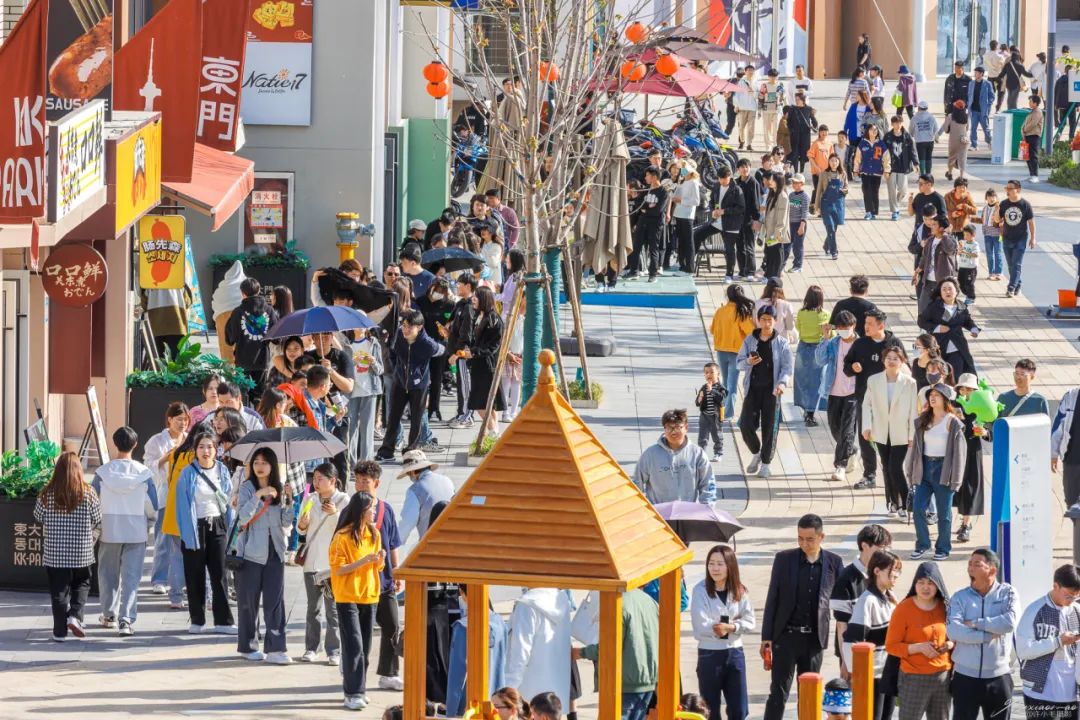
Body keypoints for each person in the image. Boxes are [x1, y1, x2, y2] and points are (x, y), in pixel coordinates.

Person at [761, 514, 845, 720]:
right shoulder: (784, 560)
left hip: (814, 640)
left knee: (809, 694)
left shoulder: (834, 563)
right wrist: (766, 637)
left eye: (809, 539)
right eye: (800, 538)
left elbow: (842, 603)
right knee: (778, 693)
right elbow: (772, 599)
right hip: (785, 637)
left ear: (821, 537)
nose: (804, 544)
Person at [92, 427, 156, 636]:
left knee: (107, 575)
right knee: (131, 578)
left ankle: (109, 614)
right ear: (135, 444)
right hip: (136, 530)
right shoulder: (144, 474)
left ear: (115, 443)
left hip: (109, 529)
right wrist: (149, 522)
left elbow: (93, 502)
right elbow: (152, 505)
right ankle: (126, 619)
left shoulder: (102, 473)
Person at [233, 447, 293, 664]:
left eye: (264, 462)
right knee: (248, 602)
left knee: (275, 601)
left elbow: (286, 521)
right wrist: (258, 496)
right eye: (256, 462)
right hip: (250, 553)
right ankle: (248, 646)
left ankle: (276, 648)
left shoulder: (279, 488)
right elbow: (242, 518)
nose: (260, 466)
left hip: (275, 551)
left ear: (272, 466)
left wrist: (289, 500)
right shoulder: (247, 488)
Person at [173, 430, 236, 634]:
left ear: (216, 450)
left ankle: (223, 622)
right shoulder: (187, 473)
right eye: (201, 447)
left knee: (220, 574)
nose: (205, 451)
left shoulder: (222, 470)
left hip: (217, 525)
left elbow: (229, 499)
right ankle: (197, 620)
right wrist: (186, 532)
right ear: (195, 450)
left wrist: (231, 526)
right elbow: (182, 506)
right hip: (194, 527)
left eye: (210, 447)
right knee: (195, 574)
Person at [35, 452, 102, 642]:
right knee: (82, 583)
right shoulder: (88, 492)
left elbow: (38, 516)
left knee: (59, 590)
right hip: (82, 551)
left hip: (55, 553)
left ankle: (59, 632)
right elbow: (97, 518)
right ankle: (75, 616)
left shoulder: (47, 493)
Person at [947, 549, 1019, 720]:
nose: (970, 568)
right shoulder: (959, 597)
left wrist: (976, 623)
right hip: (965, 678)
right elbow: (954, 631)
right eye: (969, 564)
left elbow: (1009, 623)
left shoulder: (1008, 593)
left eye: (977, 564)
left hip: (999, 677)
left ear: (992, 570)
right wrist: (986, 636)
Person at [330, 491, 385, 711]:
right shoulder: (342, 536)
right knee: (354, 645)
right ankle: (353, 693)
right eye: (371, 508)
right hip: (347, 596)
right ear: (361, 510)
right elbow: (339, 569)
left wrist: (379, 560)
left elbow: (378, 567)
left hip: (369, 594)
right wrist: (363, 561)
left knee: (366, 646)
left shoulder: (374, 534)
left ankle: (359, 688)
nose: (374, 512)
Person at [352, 461, 404, 690]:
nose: (360, 485)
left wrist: (397, 571)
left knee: (392, 625)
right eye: (357, 480)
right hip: (360, 582)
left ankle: (388, 673)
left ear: (377, 483)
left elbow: (393, 543)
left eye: (365, 481)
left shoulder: (386, 509)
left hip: (384, 580)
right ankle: (355, 673)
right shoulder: (350, 509)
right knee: (360, 631)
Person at [574, 588, 659, 719]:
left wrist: (581, 652)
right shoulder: (649, 601)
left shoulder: (618, 604)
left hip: (624, 683)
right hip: (647, 681)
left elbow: (609, 647)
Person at [691, 545, 754, 720]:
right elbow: (701, 624)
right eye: (711, 563)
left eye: (720, 564)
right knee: (710, 709)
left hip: (735, 653)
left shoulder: (740, 590)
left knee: (740, 708)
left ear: (730, 566)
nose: (715, 568)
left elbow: (750, 621)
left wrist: (731, 627)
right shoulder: (700, 590)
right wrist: (722, 627)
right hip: (709, 654)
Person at [884, 561, 954, 720]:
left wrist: (949, 644)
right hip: (913, 678)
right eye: (921, 582)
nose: (925, 587)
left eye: (930, 583)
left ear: (938, 585)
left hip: (943, 677)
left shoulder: (946, 607)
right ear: (914, 584)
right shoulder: (903, 609)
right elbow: (891, 646)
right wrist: (918, 647)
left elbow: (956, 636)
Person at [905, 384, 966, 561]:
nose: (932, 398)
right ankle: (923, 544)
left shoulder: (952, 422)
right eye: (930, 395)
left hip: (943, 469)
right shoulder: (923, 420)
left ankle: (943, 548)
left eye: (936, 395)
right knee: (918, 509)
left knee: (944, 514)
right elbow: (916, 449)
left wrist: (956, 479)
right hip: (924, 468)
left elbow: (960, 453)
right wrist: (911, 471)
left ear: (945, 399)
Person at [844, 309, 904, 487]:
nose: (866, 327)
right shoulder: (860, 344)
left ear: (881, 325)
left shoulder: (894, 343)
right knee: (866, 436)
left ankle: (892, 474)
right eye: (865, 323)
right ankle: (869, 475)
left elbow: (905, 367)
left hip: (890, 400)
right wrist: (853, 367)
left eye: (870, 324)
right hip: (865, 399)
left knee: (890, 438)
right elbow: (847, 366)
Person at [375, 311, 445, 460]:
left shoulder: (427, 344)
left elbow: (441, 350)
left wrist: (421, 372)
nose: (405, 330)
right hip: (400, 382)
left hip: (419, 386)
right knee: (393, 417)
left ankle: (411, 451)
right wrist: (397, 369)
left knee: (416, 419)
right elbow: (392, 352)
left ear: (419, 327)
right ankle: (386, 451)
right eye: (404, 325)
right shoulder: (399, 336)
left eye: (409, 327)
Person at [841, 550, 902, 720]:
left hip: (888, 671)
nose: (896, 575)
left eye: (898, 570)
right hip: (872, 676)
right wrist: (856, 675)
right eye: (893, 570)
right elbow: (852, 640)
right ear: (877, 571)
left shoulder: (889, 598)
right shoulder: (868, 600)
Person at [298, 463, 348, 665]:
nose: (316, 482)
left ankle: (334, 650)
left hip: (332, 564)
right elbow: (301, 529)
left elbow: (347, 530)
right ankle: (311, 648)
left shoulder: (343, 500)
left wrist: (335, 514)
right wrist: (302, 525)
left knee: (332, 610)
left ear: (332, 480)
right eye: (315, 478)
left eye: (320, 478)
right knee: (313, 608)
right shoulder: (309, 498)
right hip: (312, 561)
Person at [1015, 564, 1080, 719]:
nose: (1072, 600)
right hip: (1039, 692)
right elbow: (1023, 650)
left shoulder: (1077, 610)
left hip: (1071, 693)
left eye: (1076, 597)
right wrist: (1058, 641)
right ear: (1055, 586)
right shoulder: (1035, 610)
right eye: (1068, 596)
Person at [736, 306, 793, 479]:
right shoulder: (750, 340)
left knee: (770, 428)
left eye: (770, 320)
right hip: (752, 389)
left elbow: (787, 367)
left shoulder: (782, 343)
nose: (767, 323)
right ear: (758, 320)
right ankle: (756, 452)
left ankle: (766, 464)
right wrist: (748, 361)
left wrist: (782, 383)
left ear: (775, 321)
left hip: (772, 391)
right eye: (763, 319)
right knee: (745, 424)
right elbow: (739, 363)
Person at [830, 524, 893, 680]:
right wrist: (846, 663)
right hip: (856, 655)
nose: (885, 553)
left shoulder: (882, 573)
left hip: (881, 655)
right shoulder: (846, 578)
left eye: (888, 548)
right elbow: (841, 624)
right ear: (864, 546)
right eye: (881, 548)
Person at [862, 347, 918, 515]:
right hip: (880, 431)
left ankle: (906, 502)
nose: (891, 361)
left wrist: (912, 434)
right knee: (886, 467)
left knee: (895, 467)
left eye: (895, 358)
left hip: (900, 432)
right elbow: (866, 405)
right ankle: (893, 502)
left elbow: (913, 411)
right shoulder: (873, 380)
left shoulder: (909, 383)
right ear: (883, 360)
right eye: (888, 357)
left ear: (902, 362)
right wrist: (867, 426)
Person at [144, 402, 189, 604]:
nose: (182, 423)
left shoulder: (190, 439)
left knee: (184, 540)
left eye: (185, 420)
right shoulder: (156, 440)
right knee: (163, 538)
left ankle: (180, 580)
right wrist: (168, 456)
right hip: (165, 495)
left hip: (186, 496)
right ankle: (159, 579)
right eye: (179, 419)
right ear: (169, 419)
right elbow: (148, 467)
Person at [505, 588, 573, 709]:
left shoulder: (527, 604)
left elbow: (521, 651)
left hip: (528, 690)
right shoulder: (561, 599)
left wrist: (509, 687)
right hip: (556, 691)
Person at [633, 408, 716, 504]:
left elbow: (708, 483)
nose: (673, 432)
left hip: (689, 510)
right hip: (658, 511)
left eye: (677, 427)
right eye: (669, 427)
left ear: (686, 427)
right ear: (664, 429)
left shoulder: (697, 454)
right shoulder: (650, 454)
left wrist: (706, 507)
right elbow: (636, 483)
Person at [818, 311, 860, 483]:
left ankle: (840, 466)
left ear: (853, 326)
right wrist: (825, 338)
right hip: (833, 391)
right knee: (835, 428)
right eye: (840, 328)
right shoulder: (834, 343)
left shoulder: (861, 345)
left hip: (854, 393)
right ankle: (852, 450)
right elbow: (820, 360)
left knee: (847, 429)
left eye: (846, 327)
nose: (843, 331)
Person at [917, 277, 980, 379]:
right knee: (939, 376)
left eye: (950, 289)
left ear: (956, 291)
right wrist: (937, 328)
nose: (947, 292)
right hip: (938, 347)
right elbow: (921, 321)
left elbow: (968, 321)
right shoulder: (934, 306)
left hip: (957, 346)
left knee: (956, 376)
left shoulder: (961, 307)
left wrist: (974, 330)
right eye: (944, 289)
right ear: (940, 292)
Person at [225, 278, 278, 397]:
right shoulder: (269, 310)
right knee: (259, 395)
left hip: (242, 360)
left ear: (242, 293)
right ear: (259, 291)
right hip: (262, 359)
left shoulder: (237, 312)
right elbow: (276, 338)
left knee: (241, 395)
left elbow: (230, 339)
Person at [465, 286, 505, 438]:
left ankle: (493, 432)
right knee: (488, 403)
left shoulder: (494, 320)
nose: (473, 299)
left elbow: (493, 347)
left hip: (487, 367)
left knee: (478, 403)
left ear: (484, 299)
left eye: (476, 296)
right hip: (478, 365)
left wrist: (474, 352)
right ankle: (494, 433)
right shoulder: (479, 316)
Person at [710, 284, 755, 419]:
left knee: (724, 381)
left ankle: (721, 409)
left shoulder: (720, 311)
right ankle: (728, 413)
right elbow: (751, 332)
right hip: (736, 351)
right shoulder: (741, 312)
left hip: (721, 350)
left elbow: (712, 329)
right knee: (732, 383)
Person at [396, 449, 454, 544]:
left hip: (431, 543)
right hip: (453, 537)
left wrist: (394, 544)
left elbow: (407, 522)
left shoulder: (415, 490)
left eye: (408, 473)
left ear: (412, 472)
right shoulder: (447, 480)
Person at [992, 179, 1037, 298]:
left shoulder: (1025, 204)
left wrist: (1033, 238)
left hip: (1020, 238)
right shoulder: (1003, 204)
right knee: (1011, 265)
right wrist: (996, 210)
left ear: (1018, 190)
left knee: (1016, 264)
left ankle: (1011, 288)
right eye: (1006, 188)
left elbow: (1031, 222)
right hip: (1007, 238)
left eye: (1010, 188)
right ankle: (1018, 285)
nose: (1007, 190)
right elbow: (997, 220)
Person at [794, 285, 830, 426]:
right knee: (816, 381)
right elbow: (829, 332)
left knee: (802, 379)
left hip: (803, 347)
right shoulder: (825, 314)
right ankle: (810, 412)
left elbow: (798, 327)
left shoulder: (801, 313)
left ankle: (805, 407)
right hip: (817, 348)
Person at [914, 213, 958, 313]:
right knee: (923, 309)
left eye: (934, 224)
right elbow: (925, 258)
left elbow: (949, 249)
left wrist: (945, 234)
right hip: (928, 282)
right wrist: (917, 272)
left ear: (941, 228)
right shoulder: (930, 240)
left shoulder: (950, 241)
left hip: (943, 283)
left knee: (943, 311)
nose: (931, 226)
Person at [882, 116, 917, 222]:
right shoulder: (887, 137)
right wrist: (884, 167)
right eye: (896, 123)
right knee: (892, 190)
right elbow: (883, 152)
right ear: (892, 124)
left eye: (900, 123)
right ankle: (895, 211)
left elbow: (912, 150)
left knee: (903, 190)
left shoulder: (907, 136)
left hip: (903, 166)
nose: (898, 125)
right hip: (891, 167)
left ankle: (896, 203)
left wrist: (916, 163)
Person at [758, 171, 790, 279]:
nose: (770, 182)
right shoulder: (772, 194)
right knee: (769, 252)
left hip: (776, 232)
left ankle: (774, 276)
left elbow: (782, 217)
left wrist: (778, 232)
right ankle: (769, 274)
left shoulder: (783, 197)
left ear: (778, 181)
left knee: (776, 253)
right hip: (769, 230)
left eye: (772, 180)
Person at [855, 124, 890, 220]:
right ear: (867, 131)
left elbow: (886, 158)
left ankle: (874, 212)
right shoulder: (862, 144)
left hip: (877, 172)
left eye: (876, 130)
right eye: (871, 129)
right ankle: (868, 212)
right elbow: (857, 158)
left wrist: (887, 170)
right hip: (865, 172)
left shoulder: (881, 144)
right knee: (866, 191)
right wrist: (855, 170)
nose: (874, 131)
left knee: (875, 191)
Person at [816, 154, 848, 260]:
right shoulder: (823, 174)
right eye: (832, 161)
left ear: (839, 162)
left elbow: (846, 187)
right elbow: (819, 190)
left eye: (836, 161)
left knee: (834, 229)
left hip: (838, 204)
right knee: (830, 227)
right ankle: (834, 251)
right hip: (826, 204)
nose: (834, 163)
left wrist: (842, 191)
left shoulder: (843, 174)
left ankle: (826, 245)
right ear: (829, 162)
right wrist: (817, 206)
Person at [673, 161, 703, 273]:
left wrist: (681, 200)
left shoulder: (693, 182)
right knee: (681, 241)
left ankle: (690, 266)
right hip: (679, 213)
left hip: (687, 215)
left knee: (689, 241)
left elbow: (696, 201)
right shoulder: (683, 181)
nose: (681, 171)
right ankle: (682, 264)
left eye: (683, 169)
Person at [734, 159, 762, 279]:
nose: (745, 169)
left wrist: (756, 219)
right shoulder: (736, 182)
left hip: (749, 219)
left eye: (747, 167)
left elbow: (756, 202)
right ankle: (742, 271)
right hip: (737, 220)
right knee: (739, 246)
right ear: (738, 169)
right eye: (742, 167)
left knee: (749, 246)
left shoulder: (753, 182)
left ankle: (751, 271)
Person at [696, 362, 728, 462]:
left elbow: (721, 398)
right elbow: (697, 403)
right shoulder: (703, 387)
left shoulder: (720, 387)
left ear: (718, 374)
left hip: (716, 416)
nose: (709, 374)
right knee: (702, 436)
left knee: (717, 435)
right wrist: (699, 398)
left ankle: (718, 453)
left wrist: (712, 391)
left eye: (711, 372)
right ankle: (702, 454)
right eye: (706, 373)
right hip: (704, 415)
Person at [936, 102, 969, 182]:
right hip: (964, 140)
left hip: (953, 140)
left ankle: (950, 173)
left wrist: (940, 134)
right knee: (962, 158)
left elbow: (945, 128)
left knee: (952, 157)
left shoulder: (950, 116)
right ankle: (961, 176)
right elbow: (967, 128)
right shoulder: (966, 117)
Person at [975, 189, 1003, 281]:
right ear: (986, 198)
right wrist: (971, 219)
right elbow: (983, 220)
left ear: (996, 198)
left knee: (998, 253)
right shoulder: (985, 208)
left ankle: (998, 273)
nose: (992, 198)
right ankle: (991, 272)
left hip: (998, 234)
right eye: (989, 197)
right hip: (987, 234)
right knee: (989, 254)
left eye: (993, 196)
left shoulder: (999, 208)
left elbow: (1002, 221)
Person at [967, 66, 995, 150]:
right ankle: (974, 145)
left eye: (976, 73)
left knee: (986, 128)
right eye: (975, 72)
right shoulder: (971, 83)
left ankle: (989, 142)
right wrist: (968, 104)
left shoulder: (987, 84)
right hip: (974, 110)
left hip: (983, 110)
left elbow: (992, 96)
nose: (975, 74)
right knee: (973, 128)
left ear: (981, 74)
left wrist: (988, 105)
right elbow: (969, 95)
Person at [787, 173, 811, 271]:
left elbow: (805, 212)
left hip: (799, 224)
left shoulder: (805, 196)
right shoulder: (791, 195)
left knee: (798, 246)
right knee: (789, 245)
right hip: (790, 224)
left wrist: (802, 226)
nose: (794, 184)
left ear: (802, 184)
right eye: (793, 182)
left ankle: (798, 265)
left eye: (797, 183)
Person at [807, 126, 834, 211]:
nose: (824, 133)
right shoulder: (816, 143)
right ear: (819, 132)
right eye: (822, 131)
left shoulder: (830, 144)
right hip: (817, 172)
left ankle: (822, 209)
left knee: (825, 190)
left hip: (827, 172)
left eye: (826, 131)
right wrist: (816, 168)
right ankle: (813, 205)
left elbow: (832, 157)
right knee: (817, 190)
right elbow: (810, 157)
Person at [909, 101, 939, 175]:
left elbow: (911, 129)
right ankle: (928, 175)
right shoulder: (931, 117)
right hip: (930, 140)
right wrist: (935, 137)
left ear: (919, 108)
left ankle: (922, 175)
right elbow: (936, 129)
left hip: (920, 141)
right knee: (928, 157)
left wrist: (912, 135)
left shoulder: (914, 118)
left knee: (921, 158)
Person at [734, 65, 758, 151]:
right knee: (741, 127)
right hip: (742, 107)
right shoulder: (741, 81)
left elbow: (758, 95)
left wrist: (753, 92)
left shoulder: (756, 81)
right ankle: (742, 141)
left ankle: (749, 144)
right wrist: (736, 105)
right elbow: (736, 95)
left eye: (752, 70)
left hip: (752, 108)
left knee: (751, 128)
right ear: (745, 71)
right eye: (749, 70)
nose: (750, 72)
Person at [1022, 95, 1045, 183]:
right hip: (1028, 136)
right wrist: (1023, 130)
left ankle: (1035, 176)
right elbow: (1026, 122)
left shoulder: (1037, 112)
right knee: (1028, 157)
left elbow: (1032, 124)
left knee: (1033, 156)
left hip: (1034, 136)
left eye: (1030, 101)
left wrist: (1024, 129)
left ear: (1035, 103)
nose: (1029, 103)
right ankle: (1031, 175)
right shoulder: (1032, 111)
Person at [956, 224, 980, 305]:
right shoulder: (963, 243)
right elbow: (958, 253)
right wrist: (959, 250)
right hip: (962, 267)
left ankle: (971, 297)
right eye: (964, 235)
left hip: (971, 268)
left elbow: (976, 254)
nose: (965, 237)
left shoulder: (975, 244)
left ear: (973, 235)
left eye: (967, 235)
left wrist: (965, 252)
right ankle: (967, 294)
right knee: (960, 283)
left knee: (969, 283)